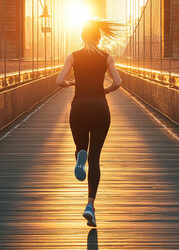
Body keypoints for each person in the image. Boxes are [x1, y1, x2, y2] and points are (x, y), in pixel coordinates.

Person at [56, 18, 122, 227]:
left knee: (81, 148)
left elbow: (58, 81)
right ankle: (90, 206)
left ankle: (78, 158)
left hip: (79, 109)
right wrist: (105, 90)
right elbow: (118, 82)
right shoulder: (106, 57)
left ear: (82, 36)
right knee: (95, 159)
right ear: (99, 37)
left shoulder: (73, 57)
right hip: (100, 109)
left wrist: (71, 82)